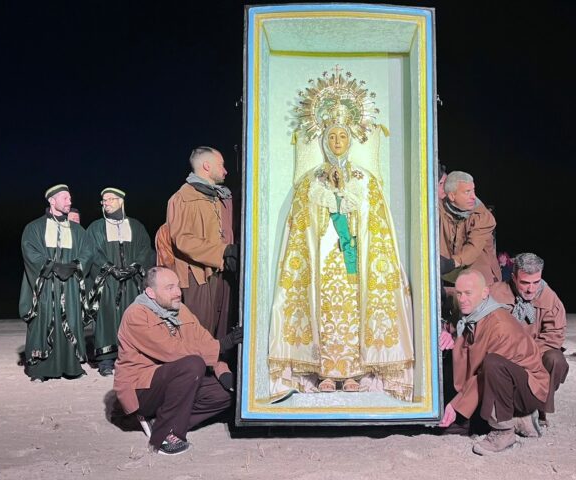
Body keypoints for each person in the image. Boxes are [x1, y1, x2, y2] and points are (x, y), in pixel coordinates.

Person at [267, 68, 414, 401]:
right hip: (322, 260)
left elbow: (377, 224)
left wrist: (345, 198)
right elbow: (301, 226)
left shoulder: (365, 180)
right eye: (332, 136)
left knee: (354, 311)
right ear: (322, 140)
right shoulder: (309, 181)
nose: (337, 142)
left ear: (351, 139)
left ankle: (353, 372)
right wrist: (327, 198)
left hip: (355, 259)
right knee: (324, 311)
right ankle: (324, 373)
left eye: (343, 136)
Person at [114, 267, 242, 455]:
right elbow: (170, 351)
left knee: (226, 395)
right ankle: (164, 436)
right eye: (169, 288)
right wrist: (223, 344)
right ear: (151, 293)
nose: (178, 292)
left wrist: (224, 372)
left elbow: (205, 342)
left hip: (173, 382)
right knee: (193, 364)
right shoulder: (136, 314)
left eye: (178, 286)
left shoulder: (181, 310)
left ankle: (163, 420)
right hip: (141, 388)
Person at [439, 269, 549, 455]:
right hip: (496, 388)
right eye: (459, 293)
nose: (462, 299)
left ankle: (504, 430)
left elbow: (485, 374)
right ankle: (516, 418)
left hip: (528, 391)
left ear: (484, 294)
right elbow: (454, 326)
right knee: (448, 428)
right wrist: (446, 333)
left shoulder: (499, 325)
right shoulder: (472, 313)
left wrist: (456, 405)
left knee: (493, 363)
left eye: (468, 293)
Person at [19, 184, 93, 381]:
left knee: (70, 320)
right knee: (43, 322)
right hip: (44, 285)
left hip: (69, 285)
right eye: (65, 198)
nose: (70, 202)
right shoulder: (34, 228)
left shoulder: (78, 230)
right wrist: (51, 266)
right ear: (52, 200)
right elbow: (30, 251)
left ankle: (71, 367)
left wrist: (73, 266)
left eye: (70, 198)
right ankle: (41, 370)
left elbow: (87, 251)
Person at [166, 146, 238, 340]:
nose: (225, 171)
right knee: (198, 332)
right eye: (221, 165)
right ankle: (196, 369)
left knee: (223, 329)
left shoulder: (222, 197)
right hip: (197, 275)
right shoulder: (182, 198)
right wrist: (223, 252)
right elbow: (182, 240)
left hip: (223, 272)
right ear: (207, 165)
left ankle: (218, 366)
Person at [491, 252, 568, 428]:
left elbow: (554, 335)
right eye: (525, 283)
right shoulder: (495, 294)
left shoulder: (550, 298)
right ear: (513, 278)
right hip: (506, 353)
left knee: (556, 360)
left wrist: (528, 354)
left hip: (536, 352)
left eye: (536, 282)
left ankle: (539, 408)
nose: (531, 289)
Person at [85, 187, 155, 376]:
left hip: (132, 282)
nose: (106, 203)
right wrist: (109, 268)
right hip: (107, 282)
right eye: (103, 200)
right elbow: (92, 252)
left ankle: (133, 358)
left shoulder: (136, 226)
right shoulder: (96, 227)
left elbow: (145, 250)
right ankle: (106, 360)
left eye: (110, 199)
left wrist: (134, 267)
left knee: (132, 318)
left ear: (121, 201)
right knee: (106, 318)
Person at [438, 171, 502, 288]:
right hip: (451, 275)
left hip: (480, 278)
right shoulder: (439, 207)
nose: (473, 196)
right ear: (452, 196)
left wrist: (450, 263)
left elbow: (473, 249)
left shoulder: (483, 217)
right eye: (467, 192)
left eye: (473, 190)